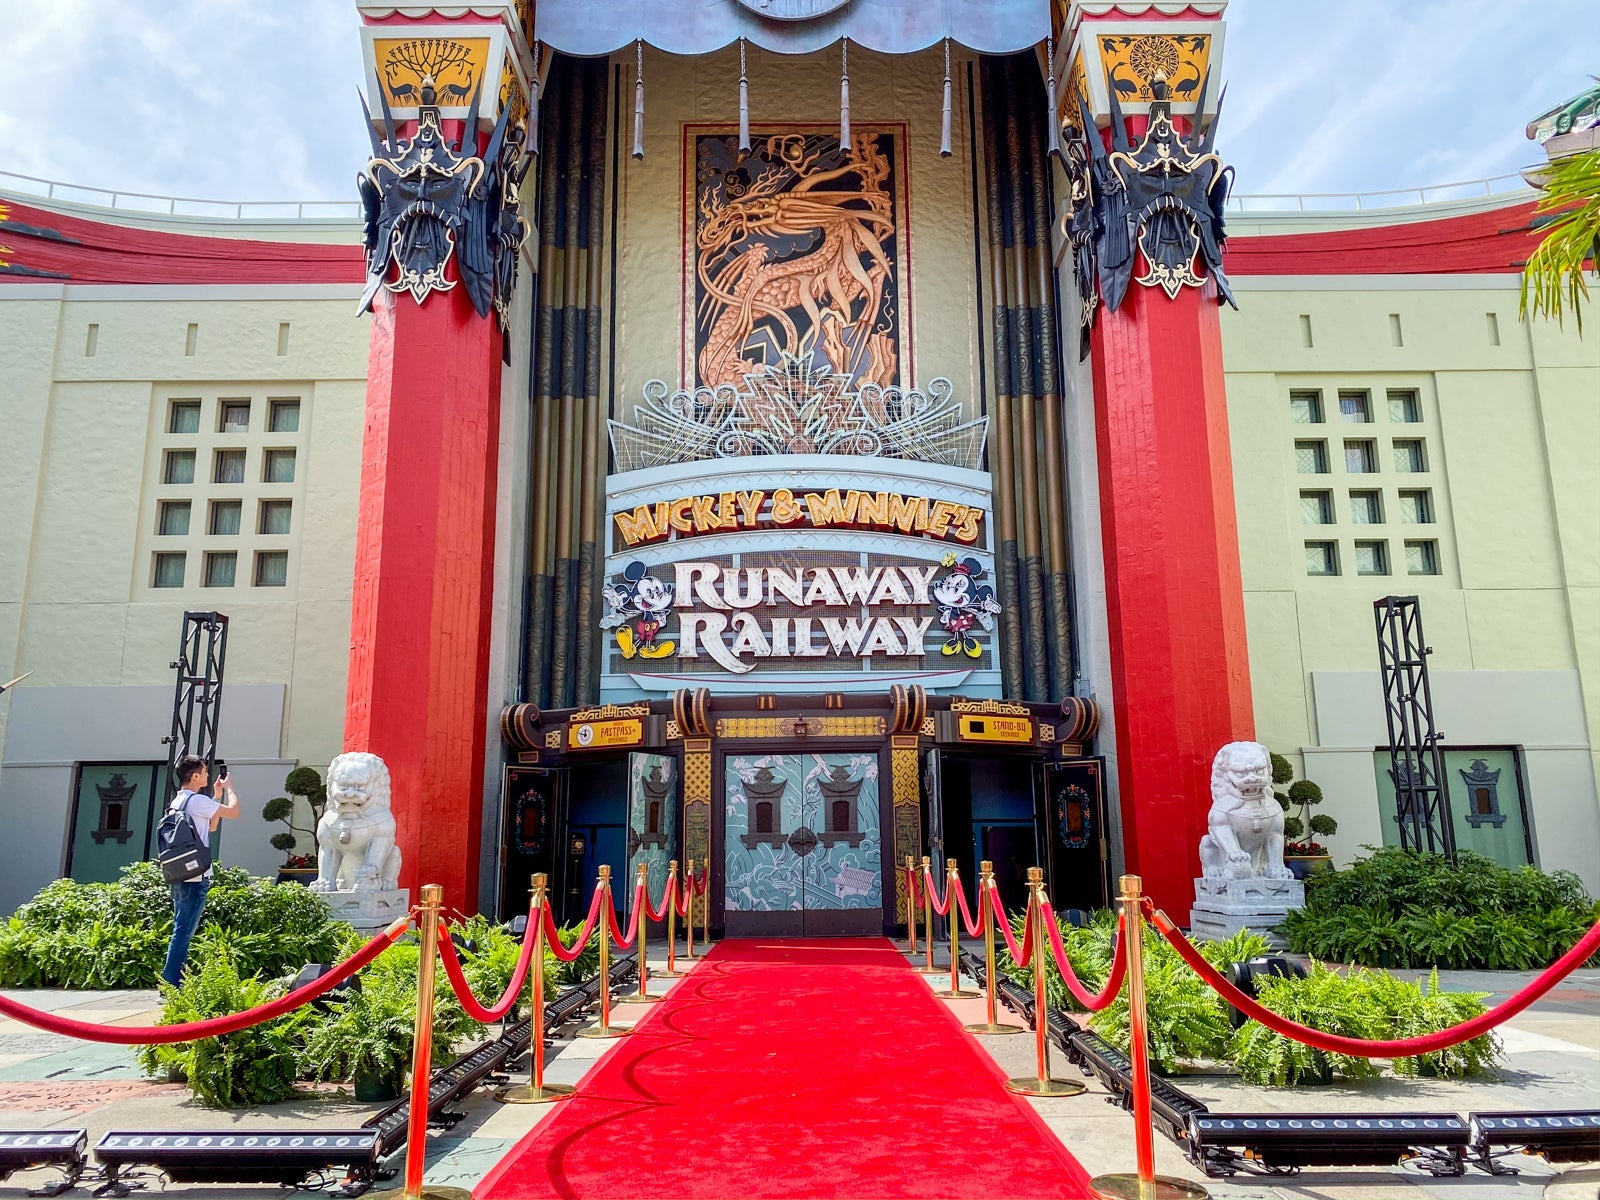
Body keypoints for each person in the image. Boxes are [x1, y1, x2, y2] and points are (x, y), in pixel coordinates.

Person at [160, 755, 240, 987]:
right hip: (196, 876)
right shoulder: (197, 801)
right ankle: (171, 985)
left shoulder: (178, 801)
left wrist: (216, 795)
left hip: (180, 873)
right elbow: (234, 812)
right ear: (195, 776)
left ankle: (173, 982)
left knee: (181, 928)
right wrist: (229, 788)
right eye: (204, 772)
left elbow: (211, 826)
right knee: (183, 932)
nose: (207, 775)